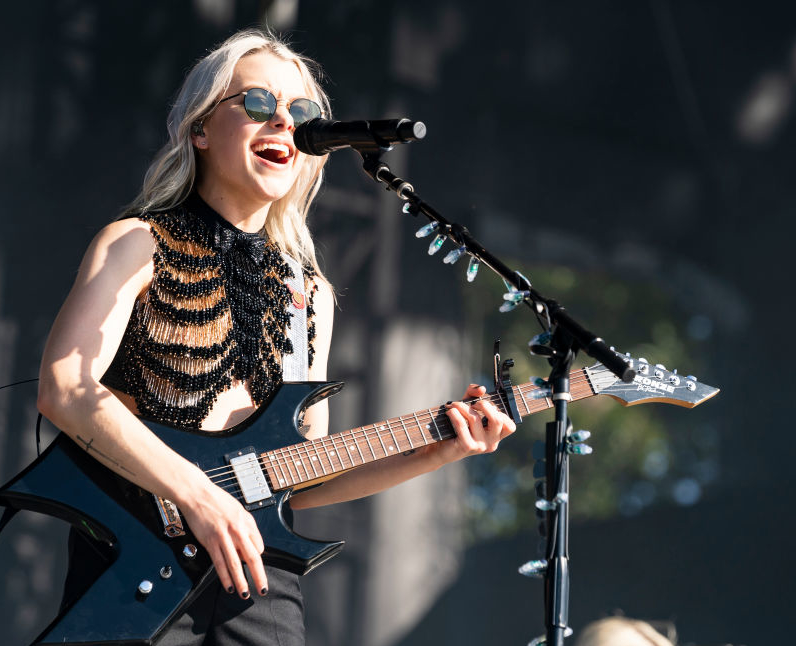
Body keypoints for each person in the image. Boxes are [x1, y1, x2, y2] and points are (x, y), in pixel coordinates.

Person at [36, 28, 517, 645]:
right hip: (135, 564)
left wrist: (438, 451)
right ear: (200, 128)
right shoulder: (137, 242)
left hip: (259, 583)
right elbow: (65, 388)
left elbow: (300, 479)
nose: (284, 124)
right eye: (259, 104)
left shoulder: (309, 292)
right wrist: (198, 497)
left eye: (304, 114)